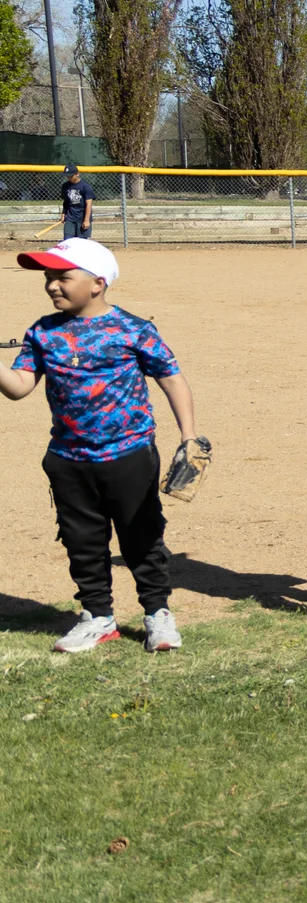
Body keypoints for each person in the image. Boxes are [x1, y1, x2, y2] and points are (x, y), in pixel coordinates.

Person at [2, 238, 198, 654]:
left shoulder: (133, 329)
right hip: (68, 458)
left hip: (128, 455)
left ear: (97, 282)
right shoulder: (41, 332)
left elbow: (171, 378)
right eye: (48, 277)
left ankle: (157, 614)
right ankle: (97, 617)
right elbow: (19, 388)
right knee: (83, 541)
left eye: (62, 276)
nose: (52, 284)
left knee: (141, 536)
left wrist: (188, 436)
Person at [60, 164, 91, 242]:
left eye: (70, 176)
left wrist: (86, 220)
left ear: (77, 174)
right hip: (70, 218)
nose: (68, 178)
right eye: (67, 176)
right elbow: (66, 202)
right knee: (67, 241)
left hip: (82, 218)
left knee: (81, 243)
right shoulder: (65, 186)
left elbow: (89, 204)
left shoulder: (85, 186)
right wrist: (64, 214)